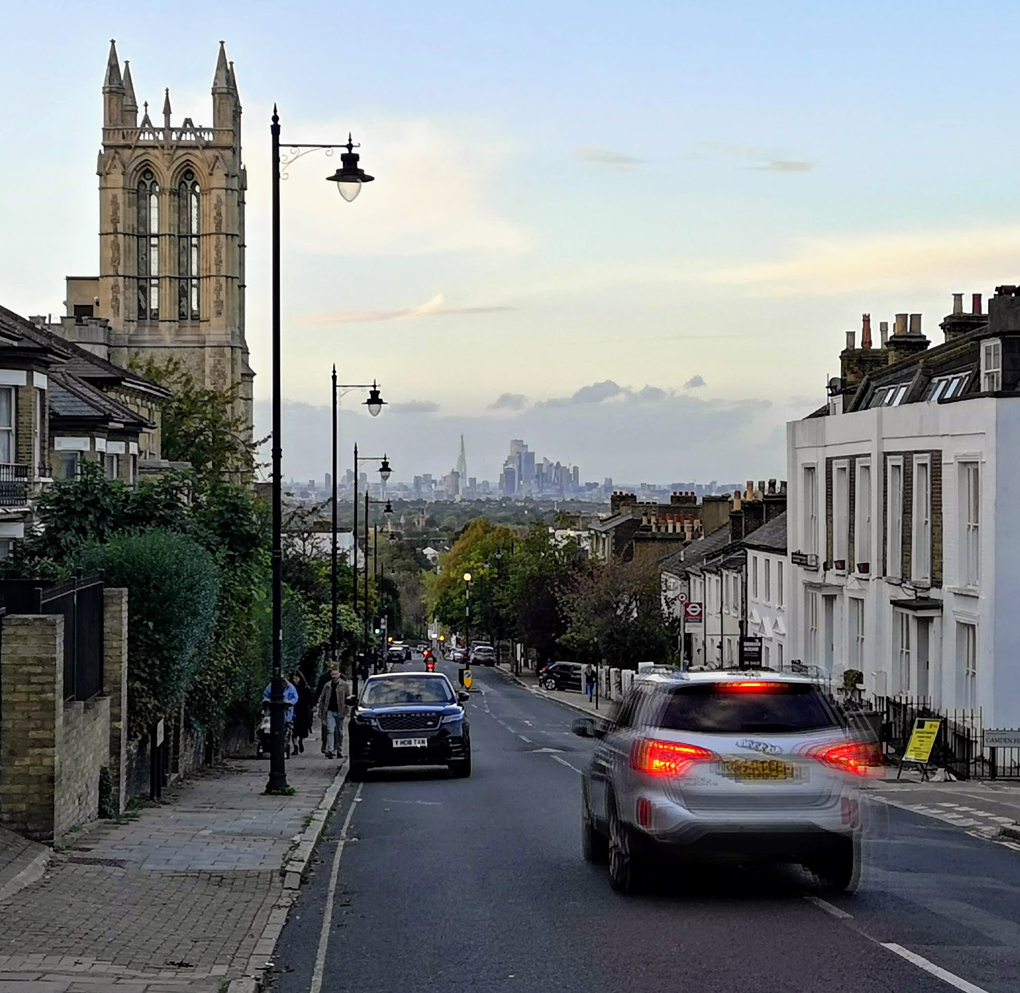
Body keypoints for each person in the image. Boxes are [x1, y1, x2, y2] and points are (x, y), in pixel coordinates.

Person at [317, 666, 351, 759]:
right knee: (330, 730)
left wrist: (348, 710)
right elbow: (322, 698)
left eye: (335, 674)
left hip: (340, 711)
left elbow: (348, 698)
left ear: (339, 674)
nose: (334, 676)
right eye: (332, 674)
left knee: (339, 732)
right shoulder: (327, 685)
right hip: (329, 710)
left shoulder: (344, 685)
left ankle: (339, 750)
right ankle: (331, 750)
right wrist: (320, 710)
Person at [290, 671, 314, 753]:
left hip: (303, 711)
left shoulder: (305, 688)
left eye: (296, 678)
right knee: (293, 730)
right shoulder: (291, 688)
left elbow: (309, 699)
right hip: (294, 710)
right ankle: (295, 746)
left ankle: (300, 741)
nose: (294, 680)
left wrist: (312, 707)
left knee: (302, 729)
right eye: (293, 679)